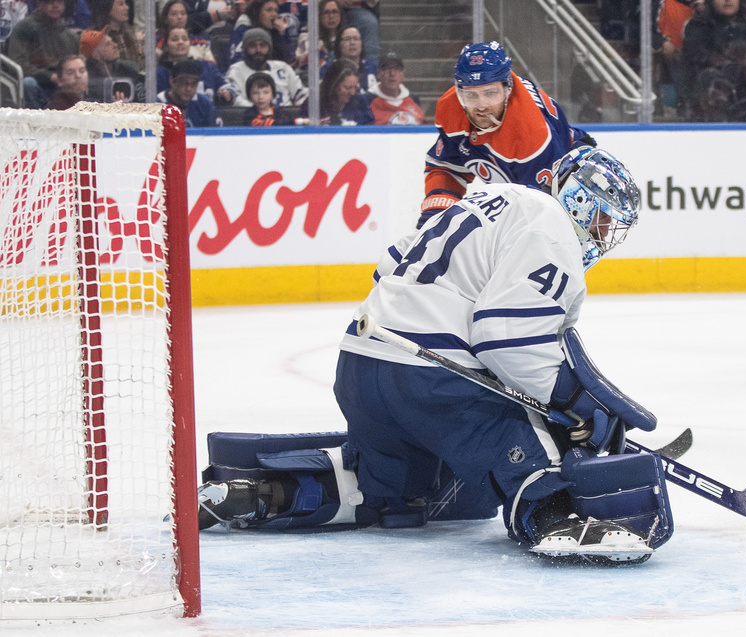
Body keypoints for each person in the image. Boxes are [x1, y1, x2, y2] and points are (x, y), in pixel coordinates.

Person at [193, 146, 674, 565]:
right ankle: (561, 518)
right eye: (605, 218)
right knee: (533, 453)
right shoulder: (553, 229)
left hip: (361, 364)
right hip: (433, 377)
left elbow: (390, 265)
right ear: (580, 200)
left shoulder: (489, 199)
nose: (605, 234)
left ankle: (257, 495)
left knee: (388, 493)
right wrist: (572, 399)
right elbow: (505, 338)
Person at [421, 42, 596, 228]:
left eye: (490, 93)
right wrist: (435, 221)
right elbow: (447, 166)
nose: (481, 106)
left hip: (569, 167)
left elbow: (544, 210)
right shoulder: (451, 107)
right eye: (471, 95)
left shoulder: (529, 133)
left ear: (507, 88)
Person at [677, 0, 746, 121]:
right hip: (710, 102)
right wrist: (719, 60)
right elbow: (692, 61)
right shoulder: (699, 25)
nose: (727, 0)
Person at [6, 0, 80, 109]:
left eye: (59, 2)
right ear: (40, 3)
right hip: (37, 85)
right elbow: (19, 64)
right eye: (50, 1)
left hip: (62, 86)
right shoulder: (25, 27)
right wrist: (50, 77)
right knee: (28, 83)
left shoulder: (68, 35)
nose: (55, 5)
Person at [226, 27, 308, 108]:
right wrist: (263, 111)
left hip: (285, 117)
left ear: (269, 48)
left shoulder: (283, 67)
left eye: (263, 45)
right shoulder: (236, 71)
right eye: (252, 46)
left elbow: (300, 94)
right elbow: (236, 101)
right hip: (252, 118)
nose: (258, 50)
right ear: (245, 50)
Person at [157, 25, 235, 104]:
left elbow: (227, 86)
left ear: (190, 43)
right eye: (175, 39)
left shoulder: (208, 66)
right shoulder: (158, 73)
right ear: (166, 46)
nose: (180, 42)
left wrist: (228, 93)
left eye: (184, 39)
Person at [79, 27, 140, 103]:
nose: (115, 45)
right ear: (95, 55)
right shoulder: (86, 78)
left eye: (112, 41)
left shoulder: (127, 71)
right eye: (107, 44)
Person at [157, 58, 222, 127]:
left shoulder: (204, 104)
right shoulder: (157, 105)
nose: (188, 89)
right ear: (172, 81)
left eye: (194, 83)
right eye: (184, 83)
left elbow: (215, 134)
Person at [229, 0, 294, 65]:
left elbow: (289, 61)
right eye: (269, 10)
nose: (274, 14)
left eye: (276, 11)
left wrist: (283, 34)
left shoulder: (276, 31)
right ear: (257, 12)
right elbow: (236, 60)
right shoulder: (243, 28)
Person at [307, 60, 373, 125]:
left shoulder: (360, 103)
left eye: (355, 87)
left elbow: (370, 129)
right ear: (333, 85)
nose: (352, 93)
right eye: (347, 88)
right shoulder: (313, 105)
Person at [367, 52, 425, 125]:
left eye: (397, 69)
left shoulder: (413, 99)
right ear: (379, 74)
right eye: (387, 68)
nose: (392, 74)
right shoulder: (367, 101)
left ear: (402, 75)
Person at [88, 0, 143, 72]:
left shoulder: (132, 31)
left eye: (125, 3)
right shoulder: (93, 35)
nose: (127, 7)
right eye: (121, 4)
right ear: (107, 8)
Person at [337, 24, 376, 90]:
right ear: (339, 44)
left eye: (356, 39)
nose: (352, 43)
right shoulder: (329, 69)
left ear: (361, 43)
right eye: (347, 39)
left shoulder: (374, 68)